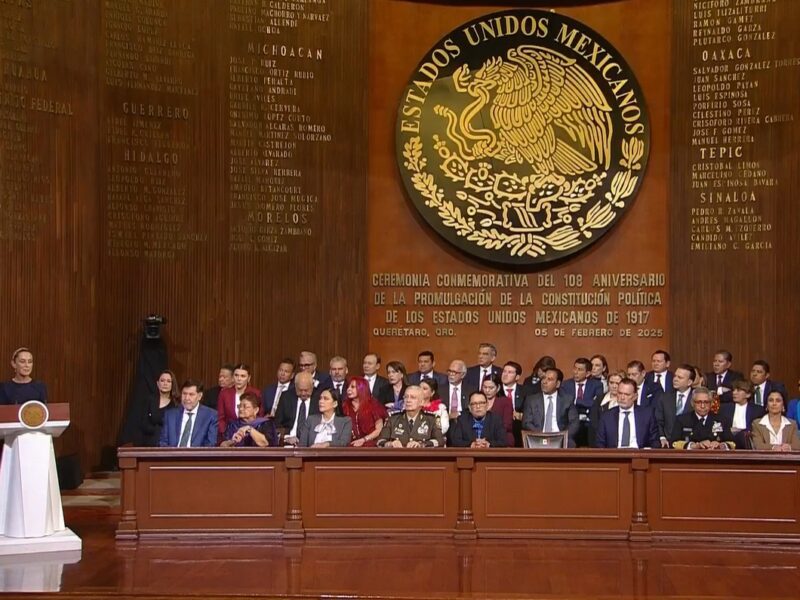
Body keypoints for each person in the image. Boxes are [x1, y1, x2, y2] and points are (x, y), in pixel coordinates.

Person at [594, 378, 660, 449]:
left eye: (627, 394)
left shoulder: (647, 415)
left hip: (639, 456)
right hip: (614, 456)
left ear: (635, 396)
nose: (622, 397)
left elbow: (655, 441)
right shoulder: (606, 416)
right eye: (620, 393)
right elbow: (599, 443)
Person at [522, 367, 580, 447]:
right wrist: (542, 435)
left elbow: (574, 423)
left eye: (549, 379)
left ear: (558, 384)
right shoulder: (531, 400)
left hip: (560, 437)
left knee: (571, 444)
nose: (544, 382)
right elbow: (526, 422)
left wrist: (562, 436)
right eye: (543, 378)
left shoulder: (567, 400)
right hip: (538, 437)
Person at [377, 385, 444, 448]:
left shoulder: (431, 419)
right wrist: (390, 444)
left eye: (413, 397)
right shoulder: (393, 418)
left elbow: (440, 441)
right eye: (406, 397)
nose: (408, 400)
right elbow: (380, 441)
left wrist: (422, 444)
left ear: (422, 402)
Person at [159, 379, 217, 447]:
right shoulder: (170, 415)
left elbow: (210, 445)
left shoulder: (210, 416)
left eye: (191, 394)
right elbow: (163, 443)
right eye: (184, 394)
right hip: (173, 456)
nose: (187, 398)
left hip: (197, 456)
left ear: (199, 396)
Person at [561, 357, 603, 446]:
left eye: (579, 370)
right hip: (570, 421)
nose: (575, 372)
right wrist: (587, 403)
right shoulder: (565, 385)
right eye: (575, 368)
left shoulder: (597, 385)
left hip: (588, 422)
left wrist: (575, 400)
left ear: (588, 373)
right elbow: (564, 404)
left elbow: (596, 404)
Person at [653, 364, 695, 448]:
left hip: (691, 445)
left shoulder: (697, 397)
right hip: (667, 444)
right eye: (675, 376)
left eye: (680, 377)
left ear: (689, 382)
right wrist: (662, 437)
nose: (675, 379)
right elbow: (658, 421)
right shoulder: (664, 397)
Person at [217, 363, 262, 441]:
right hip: (229, 436)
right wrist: (226, 434)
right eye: (236, 375)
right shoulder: (224, 393)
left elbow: (260, 416)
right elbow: (220, 417)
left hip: (250, 436)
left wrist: (251, 432)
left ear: (249, 378)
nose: (239, 379)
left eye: (243, 376)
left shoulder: (256, 393)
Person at [718, 380, 765, 450]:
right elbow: (720, 428)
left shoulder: (757, 410)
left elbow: (757, 431)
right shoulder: (724, 408)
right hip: (729, 440)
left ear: (748, 394)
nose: (734, 393)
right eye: (734, 390)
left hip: (748, 442)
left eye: (738, 390)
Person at [277, 372, 320, 445]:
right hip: (289, 441)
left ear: (312, 386)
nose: (303, 393)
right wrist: (286, 437)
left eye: (306, 390)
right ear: (295, 386)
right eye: (300, 390)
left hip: (312, 443)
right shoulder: (286, 397)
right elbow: (277, 423)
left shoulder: (319, 398)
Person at [342, 376, 387, 446]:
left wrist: (364, 440)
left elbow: (379, 429)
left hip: (370, 443)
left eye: (352, 387)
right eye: (348, 387)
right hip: (352, 444)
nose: (348, 389)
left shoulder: (374, 406)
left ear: (361, 389)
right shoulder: (345, 407)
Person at [141, 370, 179, 447]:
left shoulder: (176, 404)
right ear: (158, 383)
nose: (165, 384)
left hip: (168, 444)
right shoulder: (149, 401)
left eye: (168, 381)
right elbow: (143, 424)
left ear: (172, 384)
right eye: (162, 381)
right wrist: (158, 430)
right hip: (148, 442)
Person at [589, 370, 624, 446]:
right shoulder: (599, 399)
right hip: (600, 438)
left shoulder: (626, 401)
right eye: (611, 383)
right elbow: (594, 422)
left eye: (617, 383)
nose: (614, 386)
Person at [482, 374, 514, 447]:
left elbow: (507, 424)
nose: (487, 390)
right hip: (481, 439)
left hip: (501, 439)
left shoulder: (505, 402)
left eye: (491, 388)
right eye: (485, 387)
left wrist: (488, 436)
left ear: (498, 388)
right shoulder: (479, 401)